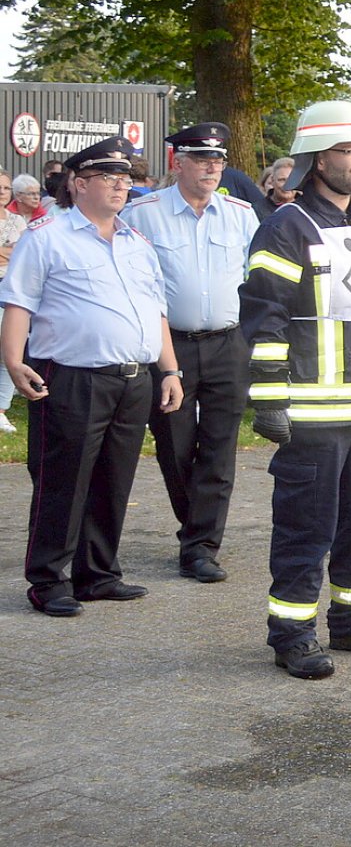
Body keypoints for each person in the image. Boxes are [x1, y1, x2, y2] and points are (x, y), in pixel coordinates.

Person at [240, 100, 351, 680]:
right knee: (306, 527)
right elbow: (263, 318)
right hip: (311, 413)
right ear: (316, 160)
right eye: (348, 150)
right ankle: (291, 634)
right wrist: (268, 397)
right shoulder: (285, 227)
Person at [3, 137, 185, 616]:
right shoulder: (47, 238)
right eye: (110, 178)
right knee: (63, 481)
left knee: (113, 479)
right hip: (72, 378)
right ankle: (48, 579)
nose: (122, 187)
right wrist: (13, 361)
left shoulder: (137, 243)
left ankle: (98, 574)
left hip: (133, 379)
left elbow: (156, 311)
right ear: (78, 184)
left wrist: (169, 369)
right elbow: (19, 303)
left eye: (126, 179)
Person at [122, 123, 259, 584]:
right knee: (175, 446)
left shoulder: (241, 214)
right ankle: (194, 530)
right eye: (201, 159)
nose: (212, 168)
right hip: (168, 347)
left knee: (219, 450)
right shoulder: (143, 214)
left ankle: (201, 546)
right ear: (175, 162)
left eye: (218, 160)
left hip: (227, 343)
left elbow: (257, 283)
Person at [0, 171, 28, 432]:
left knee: (9, 351)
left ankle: (1, 408)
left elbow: (20, 253)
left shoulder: (17, 220)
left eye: (6, 188)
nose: (2, 192)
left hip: (8, 289)